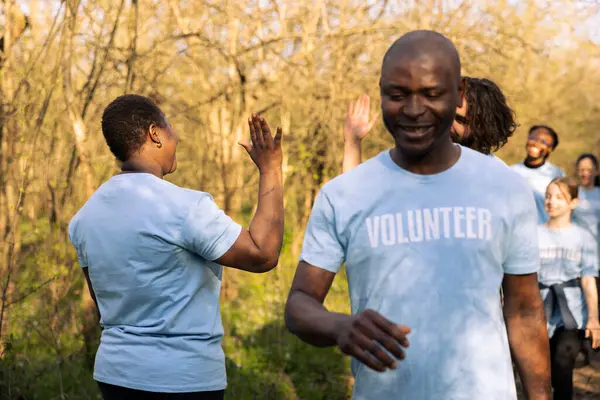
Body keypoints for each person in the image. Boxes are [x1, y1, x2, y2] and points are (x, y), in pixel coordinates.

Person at [285, 30, 551, 399]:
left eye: (431, 94)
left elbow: (524, 310)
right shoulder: (344, 194)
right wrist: (339, 326)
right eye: (397, 95)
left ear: (458, 95)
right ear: (381, 92)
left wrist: (540, 395)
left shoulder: (504, 188)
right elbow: (299, 303)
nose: (412, 110)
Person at [68, 95, 284, 399]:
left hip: (115, 376)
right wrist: (271, 169)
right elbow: (263, 254)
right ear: (155, 133)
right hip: (183, 381)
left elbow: (102, 299)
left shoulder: (84, 219)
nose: (177, 137)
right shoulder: (185, 207)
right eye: (170, 129)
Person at [342, 77, 517, 173]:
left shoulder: (498, 178)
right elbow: (353, 200)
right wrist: (352, 143)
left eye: (458, 119)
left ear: (483, 125)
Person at [537, 177, 600, 399]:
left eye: (559, 197)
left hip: (571, 315)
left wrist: (594, 318)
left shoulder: (583, 237)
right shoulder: (532, 234)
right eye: (548, 196)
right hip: (538, 314)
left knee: (563, 363)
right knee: (540, 371)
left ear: (573, 202)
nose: (551, 201)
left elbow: (588, 279)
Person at [510, 125, 565, 224]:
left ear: (550, 148)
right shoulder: (511, 172)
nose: (536, 143)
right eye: (533, 138)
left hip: (544, 233)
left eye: (544, 142)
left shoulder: (556, 174)